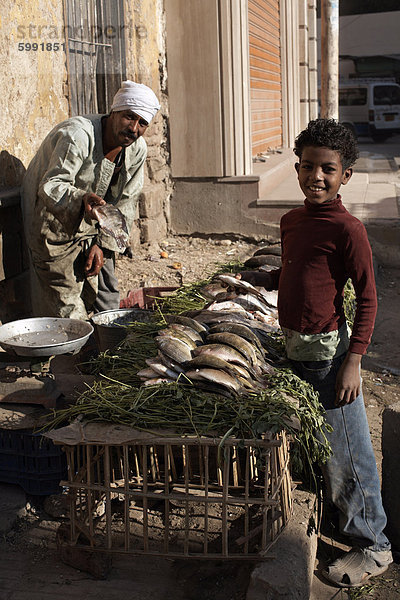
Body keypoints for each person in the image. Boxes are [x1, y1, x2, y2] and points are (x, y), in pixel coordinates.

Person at [241, 118, 392, 588]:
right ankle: (333, 518)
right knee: (317, 442)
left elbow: (368, 298)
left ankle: (374, 543)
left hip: (330, 354)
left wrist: (354, 361)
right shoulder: (293, 221)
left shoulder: (348, 229)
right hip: (295, 347)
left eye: (327, 169)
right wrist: (267, 280)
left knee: (348, 449)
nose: (315, 177)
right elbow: (297, 273)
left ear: (345, 174)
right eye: (307, 167)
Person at [21, 80, 160, 320]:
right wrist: (80, 198)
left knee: (107, 292)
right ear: (114, 111)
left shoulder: (137, 149)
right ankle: (71, 351)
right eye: (129, 117)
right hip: (54, 220)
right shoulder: (78, 135)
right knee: (66, 302)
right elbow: (51, 186)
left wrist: (103, 245)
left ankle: (110, 346)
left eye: (142, 123)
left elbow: (127, 200)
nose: (134, 128)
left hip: (97, 222)